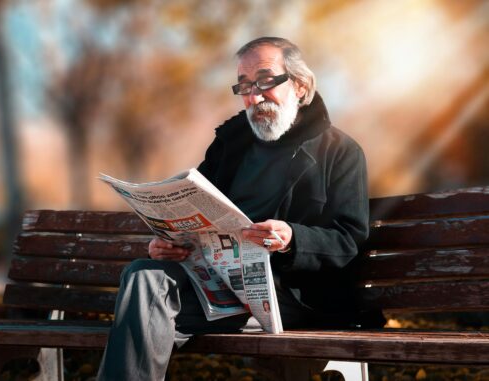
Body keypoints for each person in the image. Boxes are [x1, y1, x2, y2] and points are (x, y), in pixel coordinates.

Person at [97, 36, 384, 381]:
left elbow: (348, 240)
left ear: (301, 86)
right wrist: (171, 243)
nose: (254, 95)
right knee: (144, 276)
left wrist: (292, 238)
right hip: (217, 286)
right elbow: (193, 206)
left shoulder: (340, 152)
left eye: (265, 80)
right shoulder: (229, 147)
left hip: (289, 295)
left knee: (149, 321)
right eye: (245, 85)